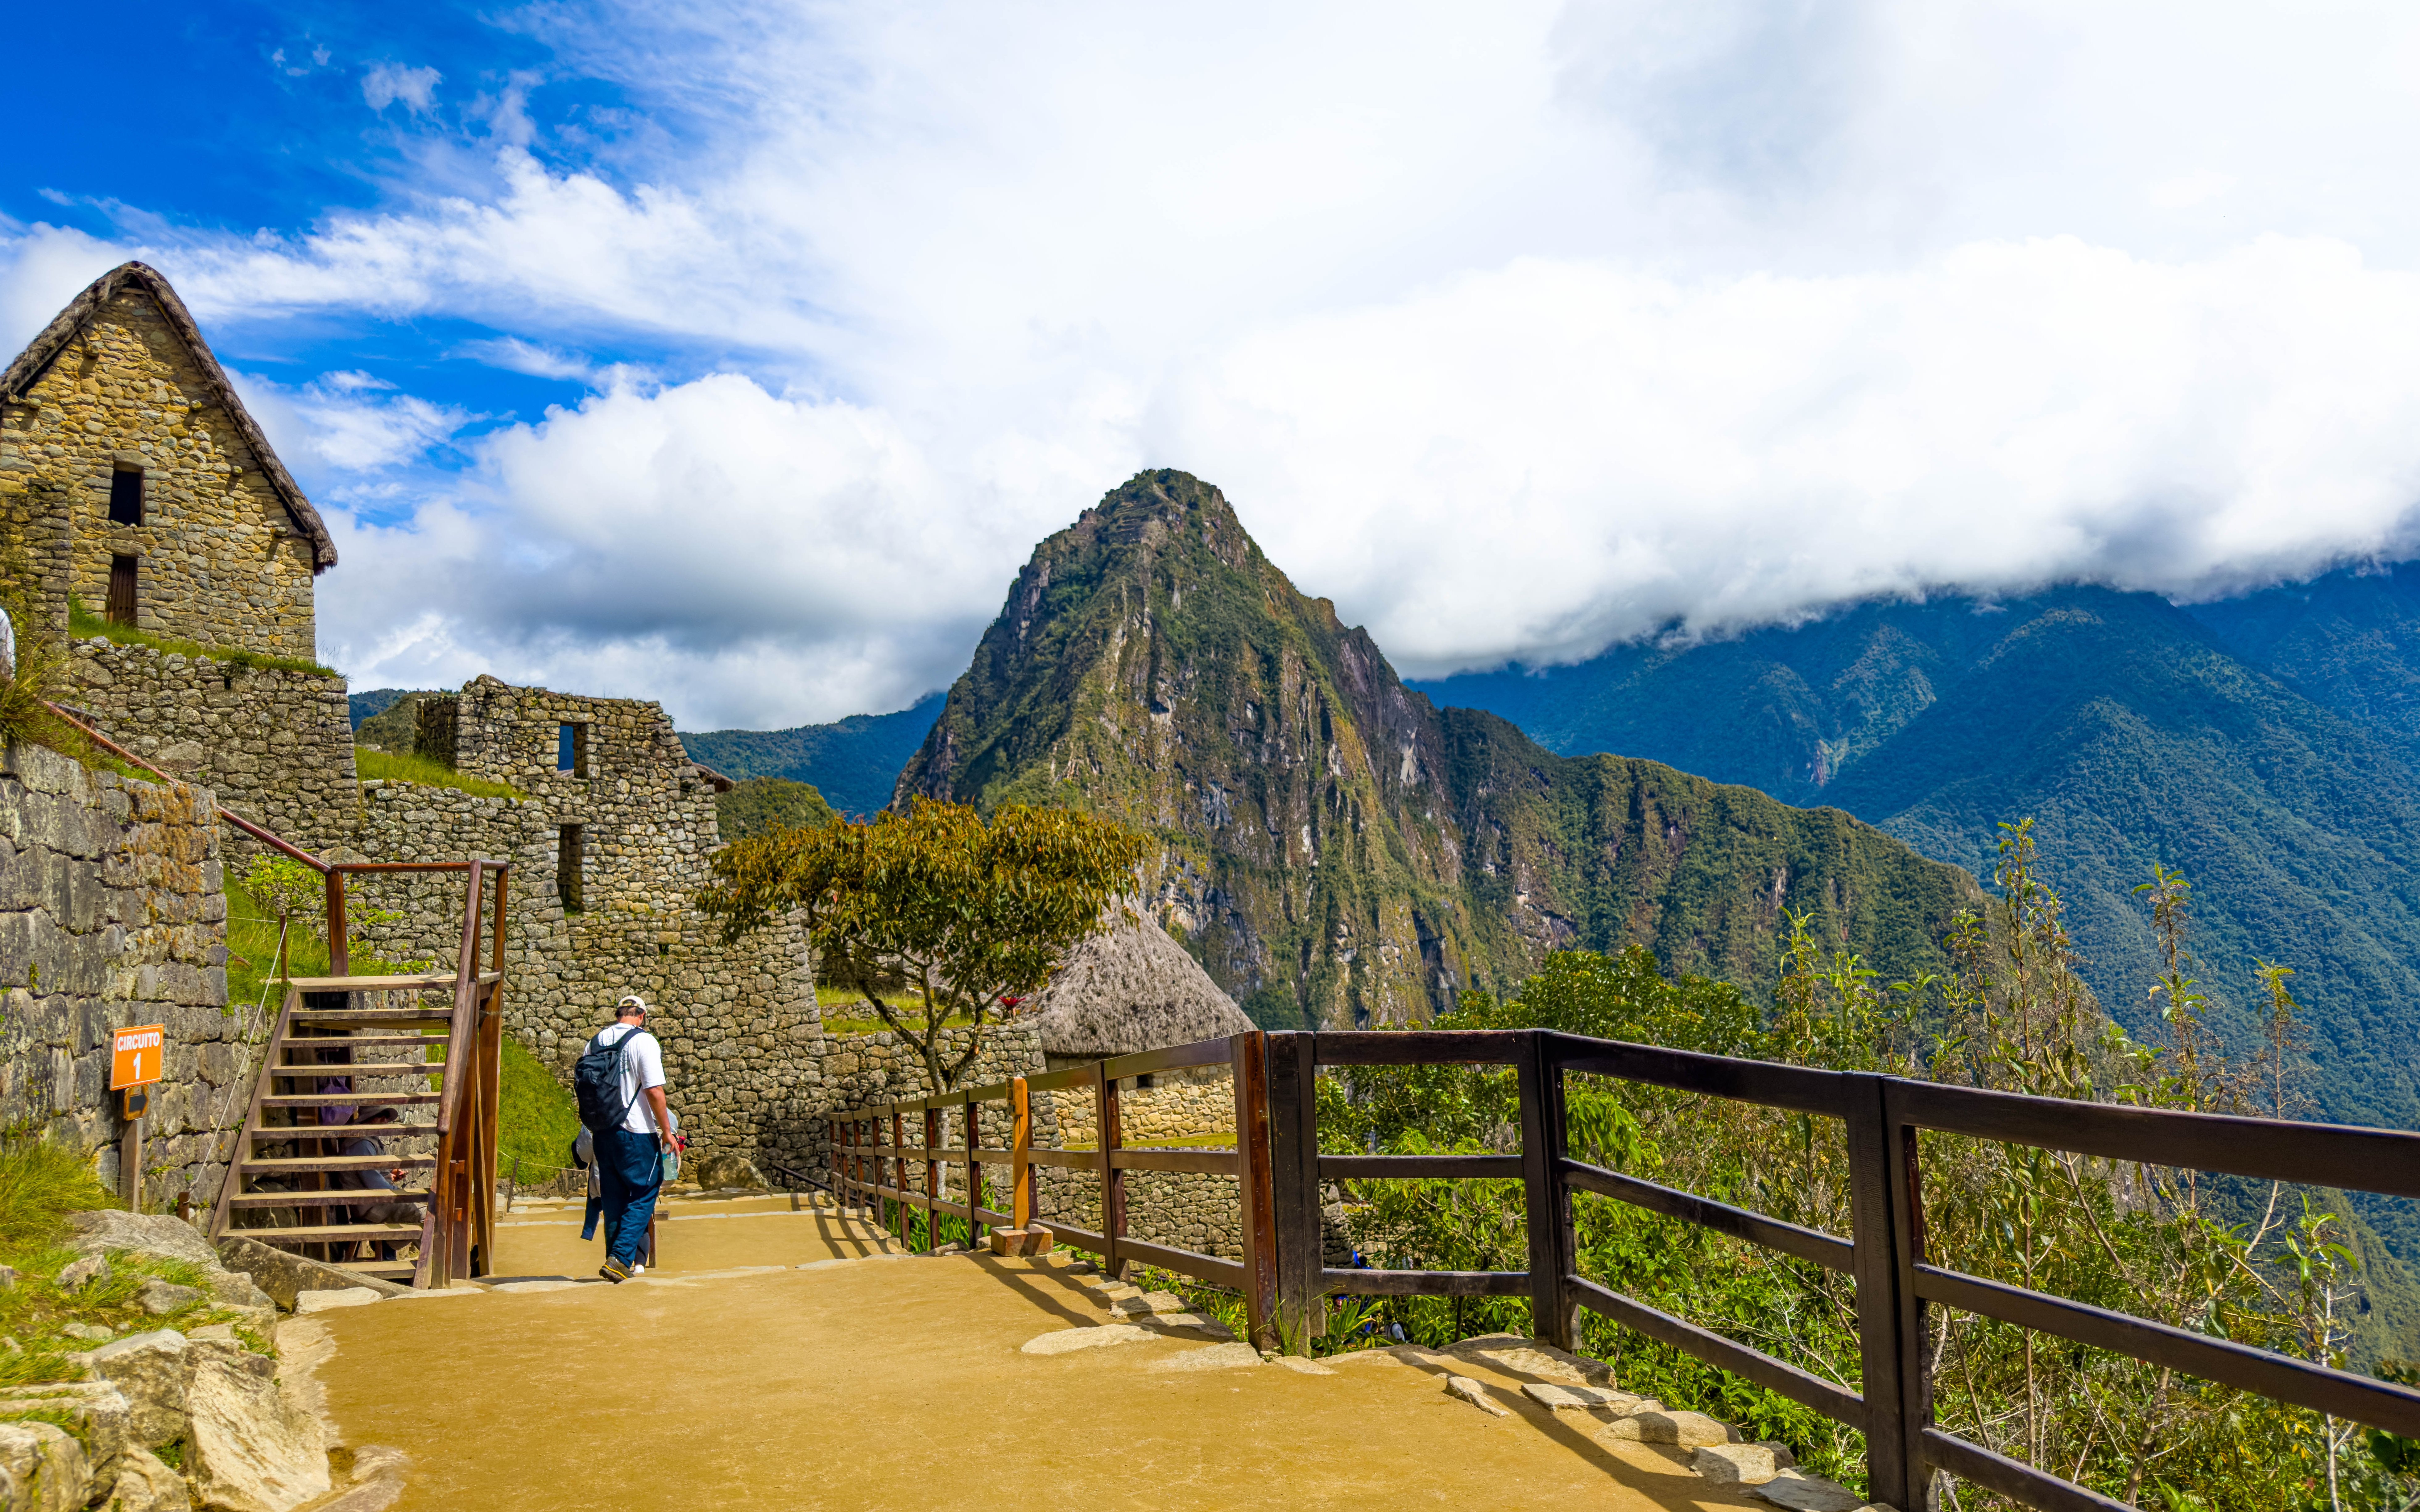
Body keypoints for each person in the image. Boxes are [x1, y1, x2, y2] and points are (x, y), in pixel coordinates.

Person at [588, 995, 683, 1283]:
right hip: (636, 1131)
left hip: (603, 1133)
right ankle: (619, 1258)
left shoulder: (595, 1042)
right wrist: (668, 1132)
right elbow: (654, 1090)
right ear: (641, 1016)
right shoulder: (644, 1041)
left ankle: (616, 1261)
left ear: (619, 1014)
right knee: (647, 1189)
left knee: (614, 1196)